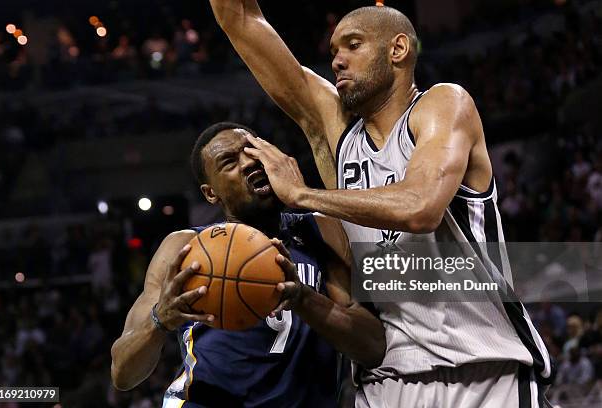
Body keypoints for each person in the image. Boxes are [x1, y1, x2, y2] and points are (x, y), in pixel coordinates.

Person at [209, 1, 553, 407]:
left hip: (485, 371)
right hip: (387, 381)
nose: (337, 61)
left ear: (398, 50)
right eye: (333, 51)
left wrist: (304, 195)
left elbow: (421, 207)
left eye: (352, 45)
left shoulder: (443, 105)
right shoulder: (340, 139)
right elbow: (242, 20)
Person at [110, 122, 385, 407]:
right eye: (229, 162)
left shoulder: (321, 228)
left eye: (252, 150)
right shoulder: (185, 247)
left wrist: (304, 298)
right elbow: (123, 374)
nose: (249, 162)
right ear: (210, 193)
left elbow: (373, 347)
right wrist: (160, 319)